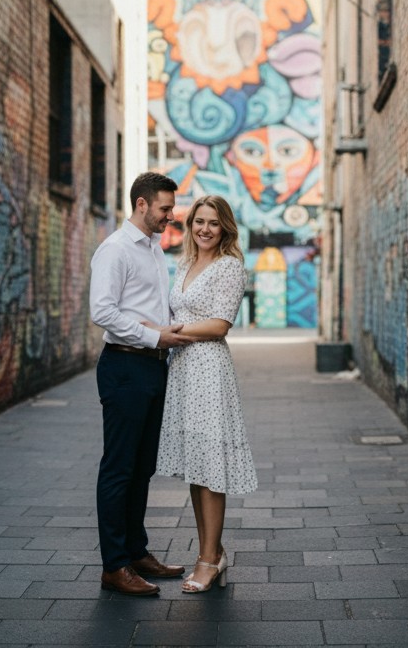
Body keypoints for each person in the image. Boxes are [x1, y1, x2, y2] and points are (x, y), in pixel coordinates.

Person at [89, 172, 195, 596]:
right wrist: (154, 337)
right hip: (125, 366)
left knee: (142, 466)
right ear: (141, 204)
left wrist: (167, 334)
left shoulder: (153, 247)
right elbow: (102, 311)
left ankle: (136, 552)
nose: (171, 216)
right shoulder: (115, 249)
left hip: (153, 366)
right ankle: (114, 566)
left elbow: (148, 307)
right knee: (119, 467)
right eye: (165, 208)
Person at [155, 195, 259, 593]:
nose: (205, 229)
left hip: (209, 371)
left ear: (225, 228)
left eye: (213, 223)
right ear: (190, 225)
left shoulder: (229, 267)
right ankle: (213, 551)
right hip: (182, 370)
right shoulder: (185, 264)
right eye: (199, 221)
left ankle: (208, 561)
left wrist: (170, 334)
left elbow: (219, 325)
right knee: (197, 465)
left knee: (211, 467)